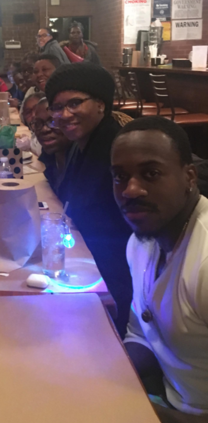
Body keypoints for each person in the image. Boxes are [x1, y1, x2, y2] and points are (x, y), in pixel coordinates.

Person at [111, 116, 208, 423]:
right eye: (120, 177)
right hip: (167, 401)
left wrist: (135, 412)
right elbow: (142, 334)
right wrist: (104, 374)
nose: (130, 190)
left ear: (189, 177)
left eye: (151, 174)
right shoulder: (141, 243)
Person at [45, 63, 132, 336]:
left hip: (118, 278)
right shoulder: (83, 144)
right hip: (91, 261)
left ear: (101, 104)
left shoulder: (117, 149)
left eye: (74, 103)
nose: (64, 114)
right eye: (57, 107)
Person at [31, 97, 70, 193]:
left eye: (53, 122)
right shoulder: (49, 156)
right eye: (38, 123)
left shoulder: (81, 162)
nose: (44, 129)